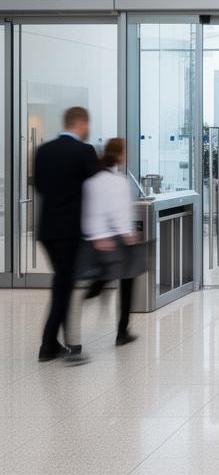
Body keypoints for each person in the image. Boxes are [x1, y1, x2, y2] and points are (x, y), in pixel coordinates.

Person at [33, 106, 98, 362]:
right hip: (70, 231)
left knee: (63, 284)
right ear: (81, 123)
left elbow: (39, 185)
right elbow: (96, 186)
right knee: (64, 286)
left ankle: (51, 344)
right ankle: (50, 345)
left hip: (47, 229)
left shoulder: (43, 151)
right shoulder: (84, 151)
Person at [81, 138, 140, 347]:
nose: (128, 155)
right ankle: (122, 332)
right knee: (127, 282)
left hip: (98, 239)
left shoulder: (94, 178)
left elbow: (90, 210)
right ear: (120, 154)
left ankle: (76, 305)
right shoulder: (118, 180)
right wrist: (128, 234)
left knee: (101, 280)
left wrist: (96, 234)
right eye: (126, 151)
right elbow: (119, 211)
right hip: (118, 240)